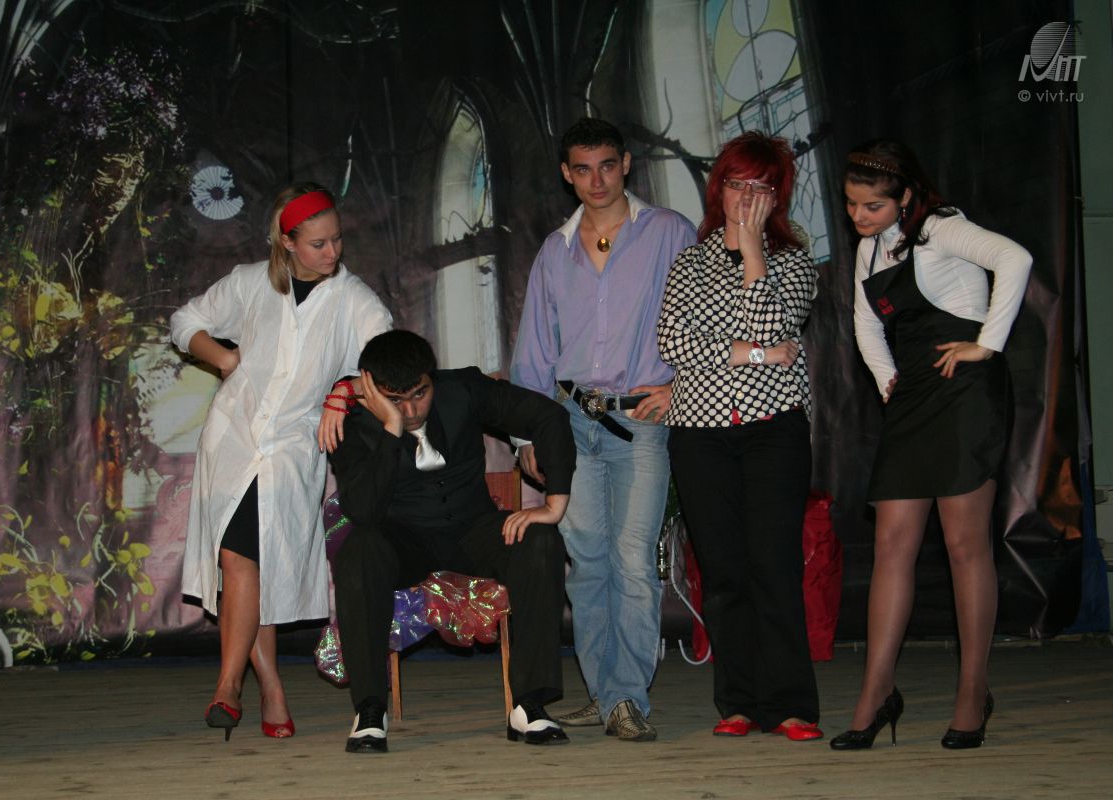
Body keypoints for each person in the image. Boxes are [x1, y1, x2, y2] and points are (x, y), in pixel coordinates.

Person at [830, 140, 1031, 751]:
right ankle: (876, 693)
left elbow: (1016, 258)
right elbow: (866, 322)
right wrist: (886, 378)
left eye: (871, 206)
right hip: (914, 393)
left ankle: (973, 692)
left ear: (906, 197)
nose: (858, 216)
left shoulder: (942, 228)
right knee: (892, 542)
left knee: (965, 543)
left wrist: (987, 344)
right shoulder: (868, 249)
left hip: (964, 391)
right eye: (851, 205)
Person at [171, 183, 391, 740]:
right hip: (232, 441)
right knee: (240, 560)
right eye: (318, 243)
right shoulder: (250, 283)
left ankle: (242, 687)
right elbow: (185, 321)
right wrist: (222, 357)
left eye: (337, 240)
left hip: (292, 450)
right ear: (286, 242)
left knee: (250, 565)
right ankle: (248, 685)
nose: (332, 252)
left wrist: (343, 389)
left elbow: (385, 359)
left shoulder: (352, 298)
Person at [511, 117, 696, 742]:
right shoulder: (554, 250)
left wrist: (680, 387)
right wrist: (527, 436)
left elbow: (705, 322)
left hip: (641, 420)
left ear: (626, 165)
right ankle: (608, 693)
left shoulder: (669, 232)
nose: (598, 181)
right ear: (567, 174)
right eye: (584, 169)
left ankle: (625, 696)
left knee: (633, 561)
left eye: (608, 166)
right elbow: (534, 351)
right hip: (568, 422)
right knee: (587, 564)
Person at [328, 330, 576, 753]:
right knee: (359, 550)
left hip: (472, 529)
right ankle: (369, 710)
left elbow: (548, 415)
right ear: (372, 389)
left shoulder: (462, 389)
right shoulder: (352, 423)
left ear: (433, 378)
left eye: (420, 394)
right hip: (403, 538)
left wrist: (554, 505)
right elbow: (364, 513)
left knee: (539, 539)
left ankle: (528, 704)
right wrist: (390, 430)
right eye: (395, 399)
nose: (411, 410)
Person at [657, 131, 821, 742]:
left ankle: (791, 703)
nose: (747, 198)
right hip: (700, 433)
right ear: (718, 189)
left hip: (773, 430)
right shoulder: (689, 263)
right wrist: (755, 354)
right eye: (736, 184)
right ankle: (738, 701)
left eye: (761, 187)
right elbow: (673, 344)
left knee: (774, 566)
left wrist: (754, 256)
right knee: (723, 571)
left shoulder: (794, 263)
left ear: (777, 196)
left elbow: (777, 324)